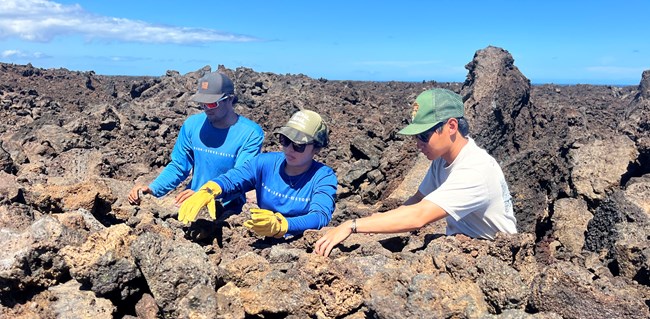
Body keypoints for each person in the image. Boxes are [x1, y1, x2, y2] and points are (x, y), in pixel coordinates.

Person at [314, 88, 517, 257]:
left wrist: (353, 225)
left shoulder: (475, 170)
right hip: (464, 249)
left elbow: (419, 216)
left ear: (451, 126)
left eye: (423, 135)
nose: (418, 144)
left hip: (493, 255)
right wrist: (378, 221)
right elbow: (419, 199)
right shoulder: (442, 159)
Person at [177, 109, 337, 238]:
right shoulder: (265, 163)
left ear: (316, 148)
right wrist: (210, 189)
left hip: (301, 246)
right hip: (261, 238)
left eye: (299, 145)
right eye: (285, 140)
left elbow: (320, 216)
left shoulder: (323, 176)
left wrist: (283, 225)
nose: (289, 149)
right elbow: (235, 178)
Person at [128, 72, 264, 212]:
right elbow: (179, 166)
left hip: (228, 210)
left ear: (229, 99)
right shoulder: (192, 125)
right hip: (190, 202)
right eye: (202, 104)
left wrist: (206, 193)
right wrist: (153, 189)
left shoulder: (250, 133)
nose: (206, 109)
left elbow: (240, 177)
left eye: (212, 103)